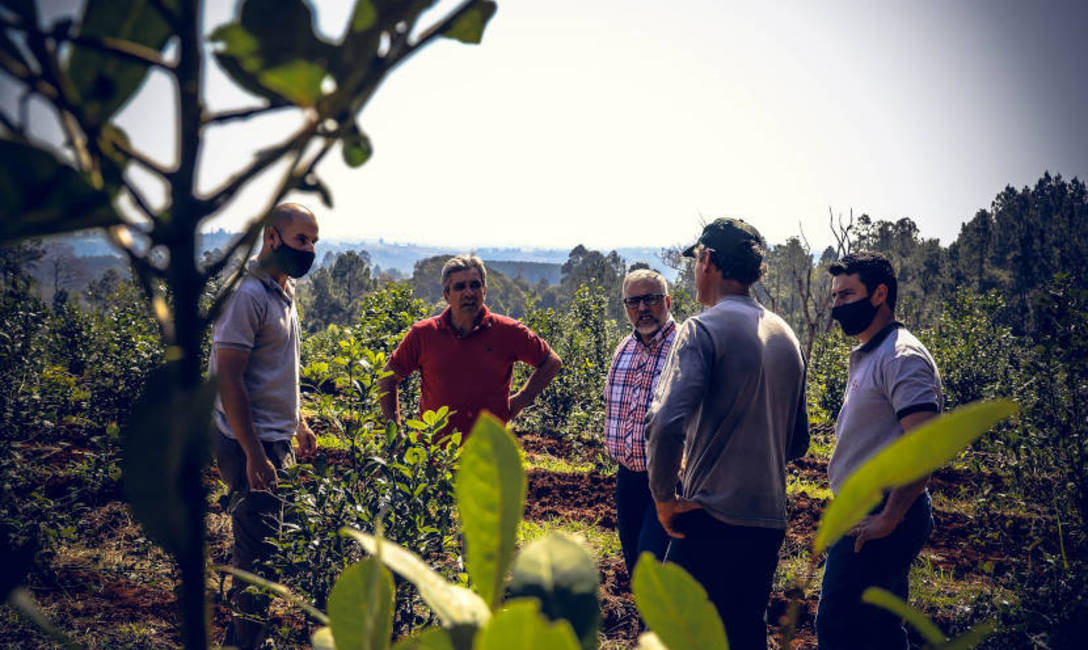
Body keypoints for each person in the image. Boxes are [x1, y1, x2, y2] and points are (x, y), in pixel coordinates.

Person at [645, 218, 809, 650]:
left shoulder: (702, 329)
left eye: (696, 260)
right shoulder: (786, 335)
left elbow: (665, 423)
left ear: (709, 260)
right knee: (743, 632)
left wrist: (663, 498)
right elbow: (798, 442)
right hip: (768, 517)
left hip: (709, 515)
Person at [815, 252, 942, 650]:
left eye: (847, 295)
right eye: (834, 297)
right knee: (879, 630)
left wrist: (890, 516)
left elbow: (925, 446)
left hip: (881, 513)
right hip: (864, 510)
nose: (838, 307)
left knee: (839, 626)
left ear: (879, 294)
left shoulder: (902, 357)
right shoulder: (872, 352)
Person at [208, 203, 319, 649]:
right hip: (246, 442)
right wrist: (254, 455)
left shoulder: (283, 291)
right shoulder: (246, 294)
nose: (309, 249)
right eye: (301, 240)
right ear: (272, 237)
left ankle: (246, 637)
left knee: (269, 545)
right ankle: (245, 643)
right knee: (256, 551)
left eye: (313, 241)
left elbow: (276, 370)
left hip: (274, 437)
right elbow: (230, 378)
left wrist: (299, 423)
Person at [379, 254, 562, 438]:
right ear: (447, 295)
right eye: (459, 287)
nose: (468, 292)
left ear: (484, 291)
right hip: (434, 457)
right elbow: (387, 379)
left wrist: (519, 401)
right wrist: (395, 434)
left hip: (488, 455)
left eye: (475, 285)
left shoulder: (508, 331)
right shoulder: (424, 334)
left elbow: (551, 362)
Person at [605, 269, 675, 578]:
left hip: (671, 481)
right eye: (633, 302)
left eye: (651, 299)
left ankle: (658, 626)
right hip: (628, 479)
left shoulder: (686, 346)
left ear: (668, 301)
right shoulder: (624, 348)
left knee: (654, 565)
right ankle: (649, 625)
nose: (642, 309)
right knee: (635, 564)